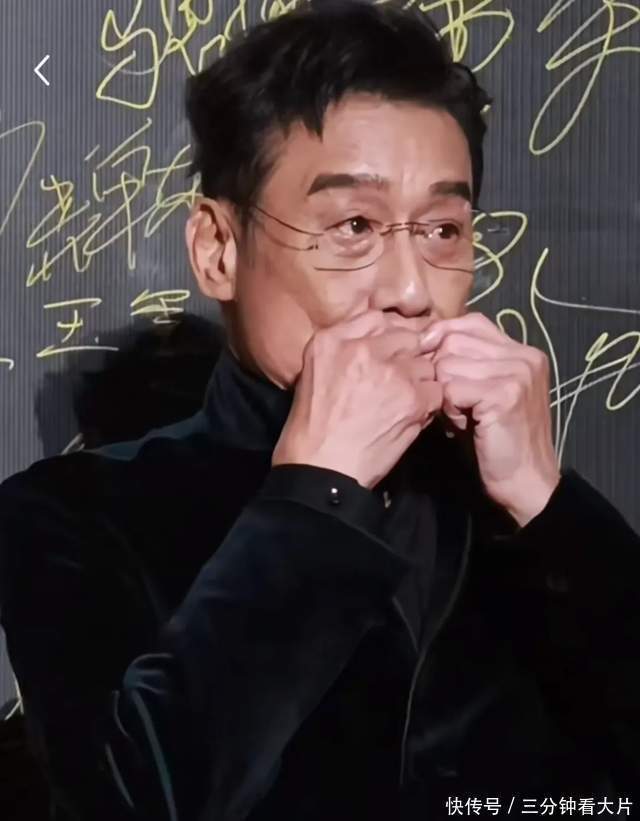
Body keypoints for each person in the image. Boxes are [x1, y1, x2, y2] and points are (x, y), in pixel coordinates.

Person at [0, 2, 638, 819]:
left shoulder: (516, 509)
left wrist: (546, 500)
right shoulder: (72, 516)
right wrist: (317, 491)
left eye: (445, 230)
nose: (411, 289)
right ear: (218, 250)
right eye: (355, 225)